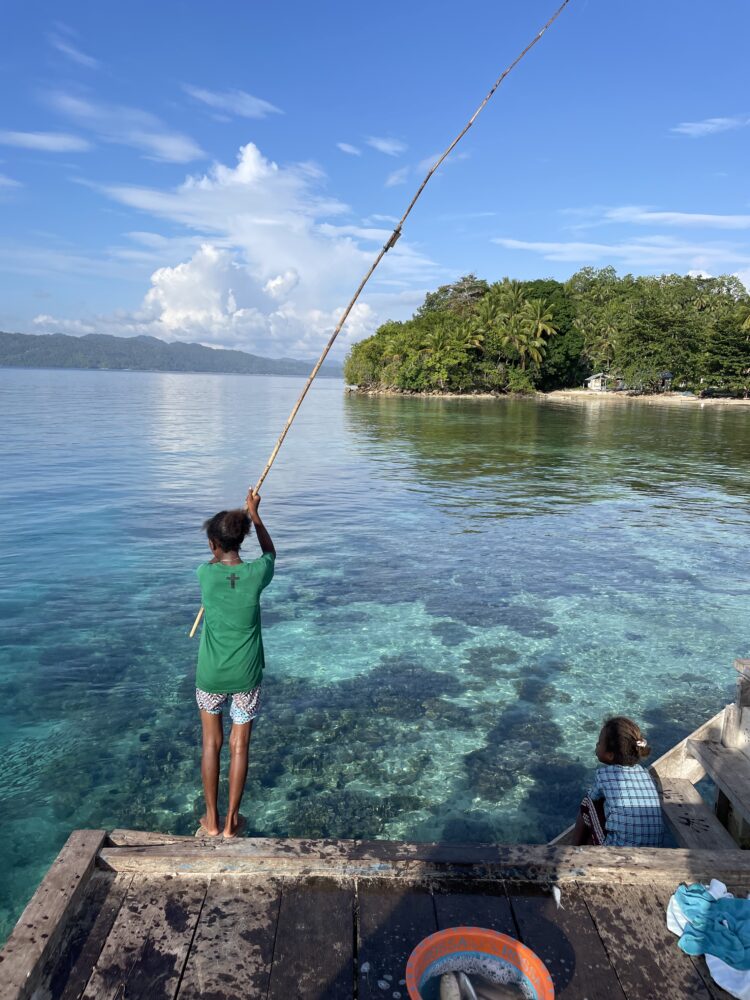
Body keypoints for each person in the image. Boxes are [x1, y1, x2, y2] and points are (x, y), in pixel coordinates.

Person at [195, 489, 275, 837]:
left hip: (210, 675)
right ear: (241, 541)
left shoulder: (205, 574)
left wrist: (234, 526)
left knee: (211, 744)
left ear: (214, 544)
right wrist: (254, 516)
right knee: (239, 746)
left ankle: (210, 821)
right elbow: (270, 553)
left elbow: (219, 563)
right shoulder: (257, 574)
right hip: (246, 676)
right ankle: (231, 823)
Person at [572, 716, 664, 847]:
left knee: (588, 803)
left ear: (610, 755)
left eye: (599, 742)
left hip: (617, 853)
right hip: (653, 851)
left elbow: (593, 799)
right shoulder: (645, 774)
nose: (596, 745)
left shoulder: (604, 775)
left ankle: (573, 851)